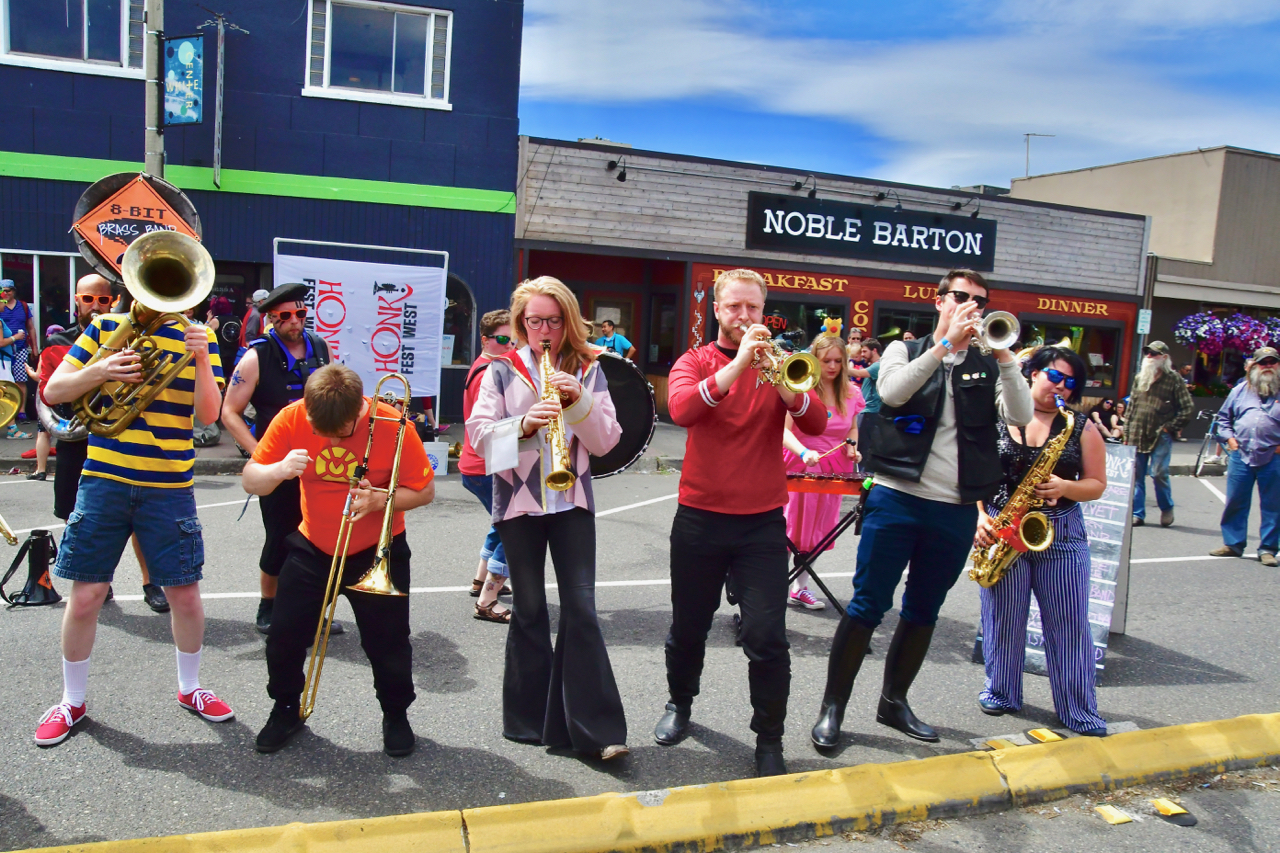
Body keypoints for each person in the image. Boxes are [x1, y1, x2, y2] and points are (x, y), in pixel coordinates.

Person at [810, 269, 1033, 750]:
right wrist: (942, 348)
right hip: (896, 495)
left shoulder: (986, 362)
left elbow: (1020, 416)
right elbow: (891, 393)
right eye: (960, 296)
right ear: (939, 301)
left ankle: (894, 702)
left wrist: (1005, 356)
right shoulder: (902, 350)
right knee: (869, 604)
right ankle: (833, 708)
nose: (969, 305)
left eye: (978, 299)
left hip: (952, 507)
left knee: (924, 609)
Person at [34, 292, 230, 747]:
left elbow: (208, 416)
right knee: (85, 596)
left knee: (184, 595)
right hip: (104, 480)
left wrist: (201, 358)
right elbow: (53, 391)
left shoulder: (197, 338)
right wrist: (101, 370)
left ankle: (190, 688)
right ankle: (72, 700)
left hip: (169, 487)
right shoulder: (105, 327)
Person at [655, 268, 828, 778]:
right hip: (700, 519)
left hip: (761, 525)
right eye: (735, 308)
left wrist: (785, 385)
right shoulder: (697, 360)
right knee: (688, 627)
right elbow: (682, 409)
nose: (745, 317)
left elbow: (816, 425)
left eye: (753, 308)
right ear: (717, 310)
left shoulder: (779, 365)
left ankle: (769, 738)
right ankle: (680, 703)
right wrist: (738, 366)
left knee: (767, 637)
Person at [467, 276, 629, 762]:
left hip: (573, 503)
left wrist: (577, 400)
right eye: (535, 321)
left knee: (581, 611)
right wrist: (523, 425)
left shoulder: (587, 367)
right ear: (521, 323)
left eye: (553, 321)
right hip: (518, 506)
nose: (544, 331)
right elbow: (477, 441)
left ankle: (595, 732)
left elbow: (606, 443)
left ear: (567, 322)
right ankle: (530, 722)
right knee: (531, 610)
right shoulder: (500, 371)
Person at [243, 364, 434, 755]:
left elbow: (425, 491)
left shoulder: (394, 424)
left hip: (377, 549)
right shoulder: (292, 416)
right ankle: (284, 708)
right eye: (320, 431)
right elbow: (251, 479)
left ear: (359, 411)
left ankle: (395, 714)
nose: (330, 440)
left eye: (341, 432)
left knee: (389, 643)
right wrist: (278, 470)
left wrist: (383, 498)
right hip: (314, 545)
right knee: (284, 637)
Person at [974, 346, 1108, 736]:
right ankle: (1001, 691)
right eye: (1054, 375)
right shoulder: (998, 418)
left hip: (1060, 532)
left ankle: (1078, 709)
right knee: (1002, 618)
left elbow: (1097, 484)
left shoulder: (1080, 426)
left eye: (1070, 382)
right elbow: (974, 474)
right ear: (1032, 372)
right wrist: (980, 516)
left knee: (1067, 624)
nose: (1060, 386)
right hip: (1003, 527)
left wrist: (1066, 485)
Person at [35, 276, 169, 613]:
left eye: (103, 300)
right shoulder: (60, 341)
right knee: (73, 511)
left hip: (121, 438)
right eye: (88, 299)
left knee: (138, 518)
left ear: (114, 302)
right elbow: (49, 393)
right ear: (76, 301)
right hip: (75, 435)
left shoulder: (132, 334)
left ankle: (150, 582)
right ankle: (98, 580)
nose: (95, 306)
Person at [221, 283, 336, 634]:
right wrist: (260, 454)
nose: (294, 322)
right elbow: (229, 412)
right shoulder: (257, 355)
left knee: (321, 537)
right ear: (271, 318)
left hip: (319, 460)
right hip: (278, 463)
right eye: (285, 316)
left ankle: (314, 607)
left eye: (300, 314)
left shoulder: (319, 346)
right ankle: (268, 605)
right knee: (280, 536)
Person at [782, 332, 862, 611]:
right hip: (799, 460)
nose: (832, 366)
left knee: (820, 529)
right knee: (788, 527)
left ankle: (799, 588)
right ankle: (771, 586)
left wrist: (853, 447)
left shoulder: (851, 392)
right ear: (814, 360)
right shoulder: (801, 387)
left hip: (834, 465)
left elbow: (851, 428)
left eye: (838, 361)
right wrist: (803, 452)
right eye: (826, 360)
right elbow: (783, 430)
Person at [459, 309, 515, 623]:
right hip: (486, 465)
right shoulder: (490, 373)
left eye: (513, 340)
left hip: (478, 464)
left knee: (501, 523)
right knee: (514, 531)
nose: (510, 346)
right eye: (503, 339)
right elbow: (494, 425)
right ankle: (487, 600)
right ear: (485, 340)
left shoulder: (486, 366)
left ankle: (480, 580)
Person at [1210, 346, 1280, 567]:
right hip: (1241, 454)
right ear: (1253, 367)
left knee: (1273, 505)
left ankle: (1268, 549)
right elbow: (1222, 420)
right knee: (1235, 501)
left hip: (1274, 456)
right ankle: (1233, 544)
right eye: (1263, 362)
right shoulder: (1239, 391)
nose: (1267, 366)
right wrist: (1230, 440)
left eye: (1272, 362)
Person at [1125, 341, 1193, 527]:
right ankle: (1138, 514)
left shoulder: (1174, 379)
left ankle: (1166, 507)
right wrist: (1126, 432)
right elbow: (1132, 406)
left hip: (1159, 434)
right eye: (1147, 353)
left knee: (1159, 473)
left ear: (1164, 357)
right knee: (1137, 476)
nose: (1149, 356)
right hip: (1137, 432)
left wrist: (1169, 427)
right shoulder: (1140, 378)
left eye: (1154, 354)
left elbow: (1187, 408)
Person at [0, 279, 38, 434]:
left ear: (14, 290)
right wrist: (16, 337)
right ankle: (12, 429)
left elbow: (31, 326)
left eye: (8, 291)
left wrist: (34, 347)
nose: (5, 295)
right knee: (7, 392)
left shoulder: (22, 306)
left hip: (18, 351)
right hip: (3, 360)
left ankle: (18, 416)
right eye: (2, 293)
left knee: (19, 381)